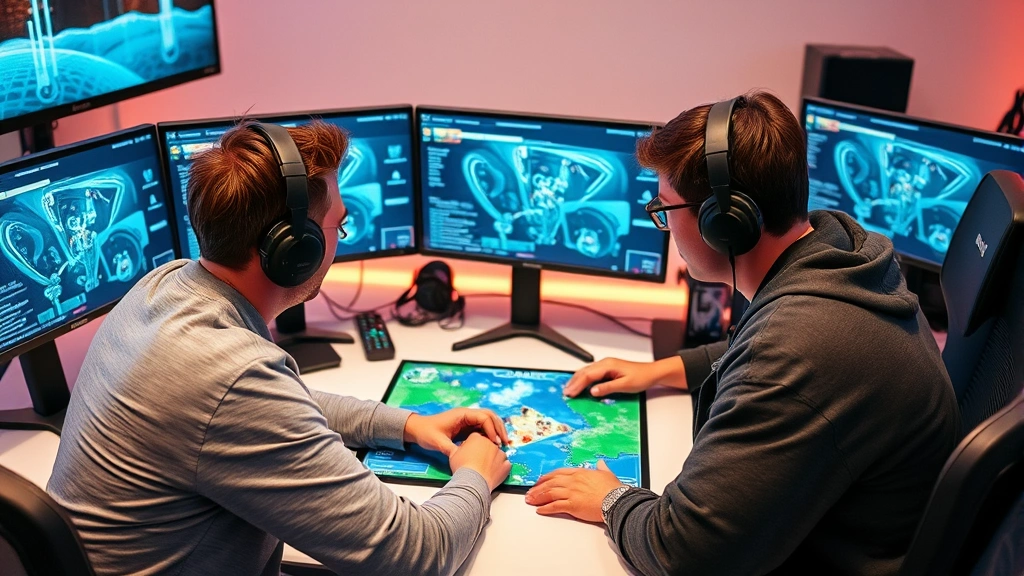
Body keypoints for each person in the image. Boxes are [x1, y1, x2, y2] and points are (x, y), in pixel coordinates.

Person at [48, 120, 511, 576]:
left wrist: (405, 424)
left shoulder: (162, 286)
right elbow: (416, 558)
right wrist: (475, 475)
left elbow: (273, 406)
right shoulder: (230, 377)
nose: (338, 243)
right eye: (338, 226)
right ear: (295, 248)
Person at [524, 91, 960, 575]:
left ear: (725, 222)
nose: (664, 227)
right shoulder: (844, 254)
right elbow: (755, 343)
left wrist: (612, 499)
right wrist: (659, 370)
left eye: (666, 209)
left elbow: (684, 554)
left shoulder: (798, 347)